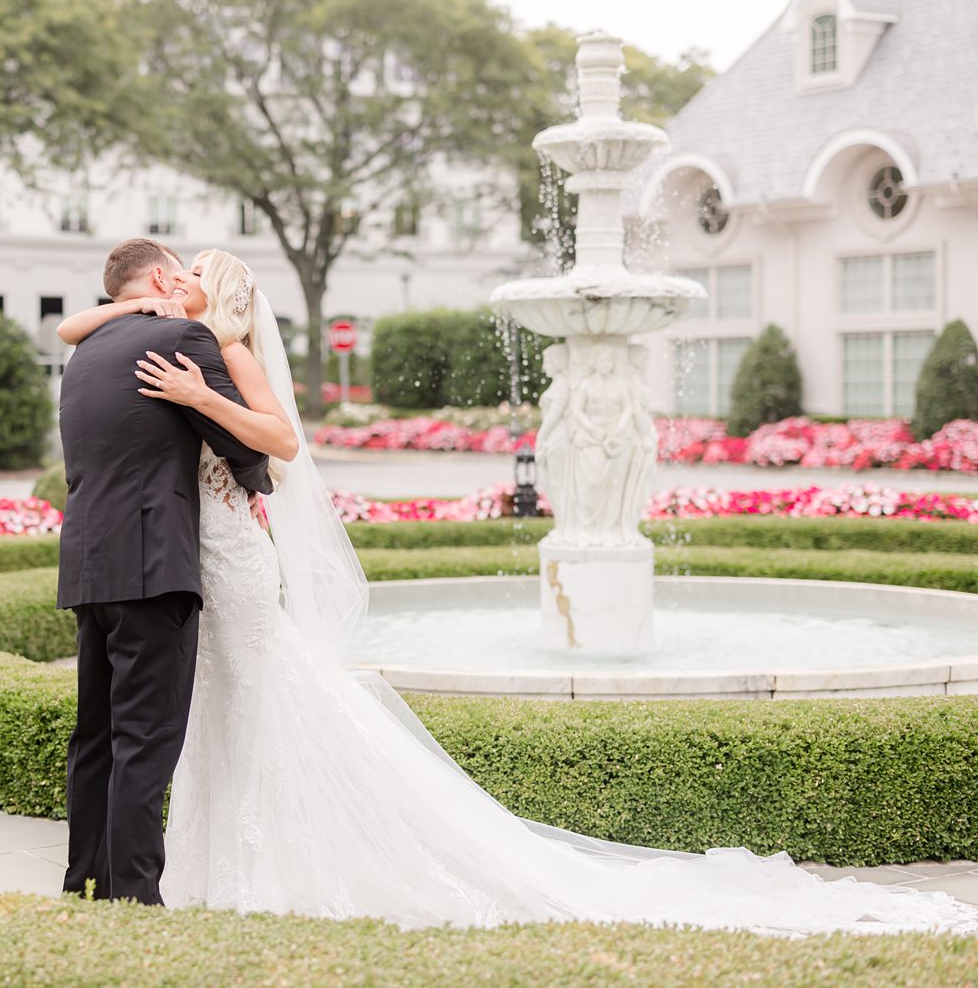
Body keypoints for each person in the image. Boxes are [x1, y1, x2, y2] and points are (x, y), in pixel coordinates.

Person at [56, 248, 978, 936]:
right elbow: (118, 366)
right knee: (190, 718)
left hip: (215, 561)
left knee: (236, 700)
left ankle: (165, 880)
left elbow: (272, 450)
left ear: (214, 300)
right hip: (183, 553)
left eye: (193, 279)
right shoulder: (163, 346)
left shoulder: (210, 355)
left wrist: (209, 406)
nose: (180, 288)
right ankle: (184, 873)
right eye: (170, 278)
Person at [55, 238, 272, 906]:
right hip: (153, 565)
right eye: (180, 271)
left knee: (95, 736)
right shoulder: (182, 337)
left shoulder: (84, 353)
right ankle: (137, 900)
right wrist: (250, 480)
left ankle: (86, 884)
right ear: (159, 278)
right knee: (145, 740)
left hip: (89, 559)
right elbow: (251, 455)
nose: (185, 282)